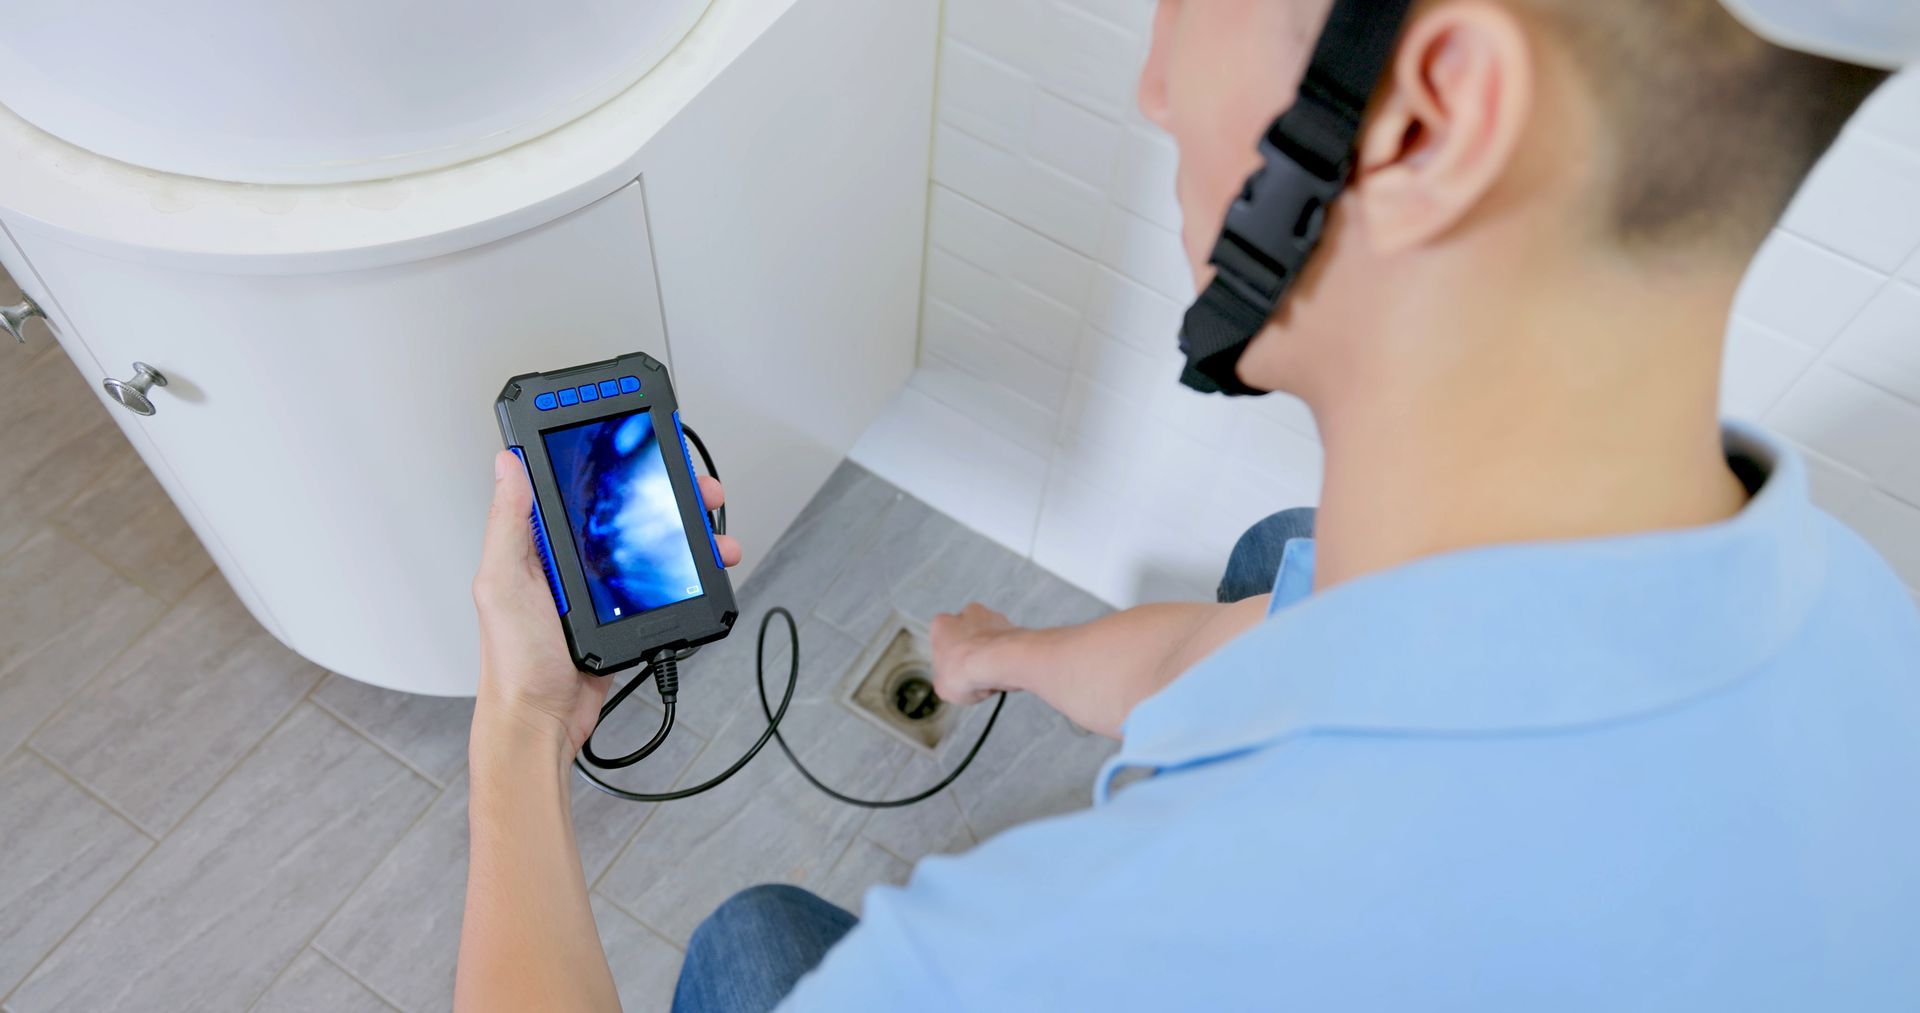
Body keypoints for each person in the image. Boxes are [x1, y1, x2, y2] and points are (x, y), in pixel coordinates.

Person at [457, 0, 1920, 1009]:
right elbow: (1256, 641)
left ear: (1427, 112)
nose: (1154, 82)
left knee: (747, 941)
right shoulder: (1863, 621)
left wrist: (520, 725)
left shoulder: (1043, 961)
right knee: (1279, 562)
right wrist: (1001, 656)